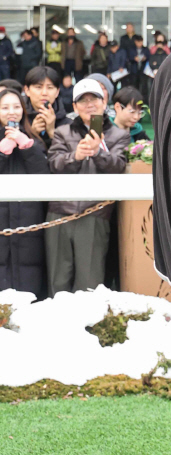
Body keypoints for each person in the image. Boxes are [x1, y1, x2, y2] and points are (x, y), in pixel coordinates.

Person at [45, 78, 130, 295]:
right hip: (59, 214)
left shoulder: (119, 135)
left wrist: (98, 153)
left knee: (90, 282)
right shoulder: (63, 132)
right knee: (58, 279)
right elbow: (53, 165)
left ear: (104, 102)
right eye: (83, 101)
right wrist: (76, 155)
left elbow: (119, 166)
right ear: (74, 106)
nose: (89, 104)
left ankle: (87, 327)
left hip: (95, 214)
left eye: (94, 99)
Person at [0, 88, 50, 297]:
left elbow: (44, 178)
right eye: (5, 107)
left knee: (30, 270)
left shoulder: (34, 140)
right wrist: (2, 152)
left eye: (16, 106)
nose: (11, 112)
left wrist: (27, 145)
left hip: (30, 220)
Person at [22, 65, 68, 150]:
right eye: (38, 87)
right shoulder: (19, 118)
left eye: (50, 88)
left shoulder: (68, 124)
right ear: (27, 90)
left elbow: (70, 157)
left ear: (57, 92)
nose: (44, 93)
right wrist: (32, 133)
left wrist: (52, 132)